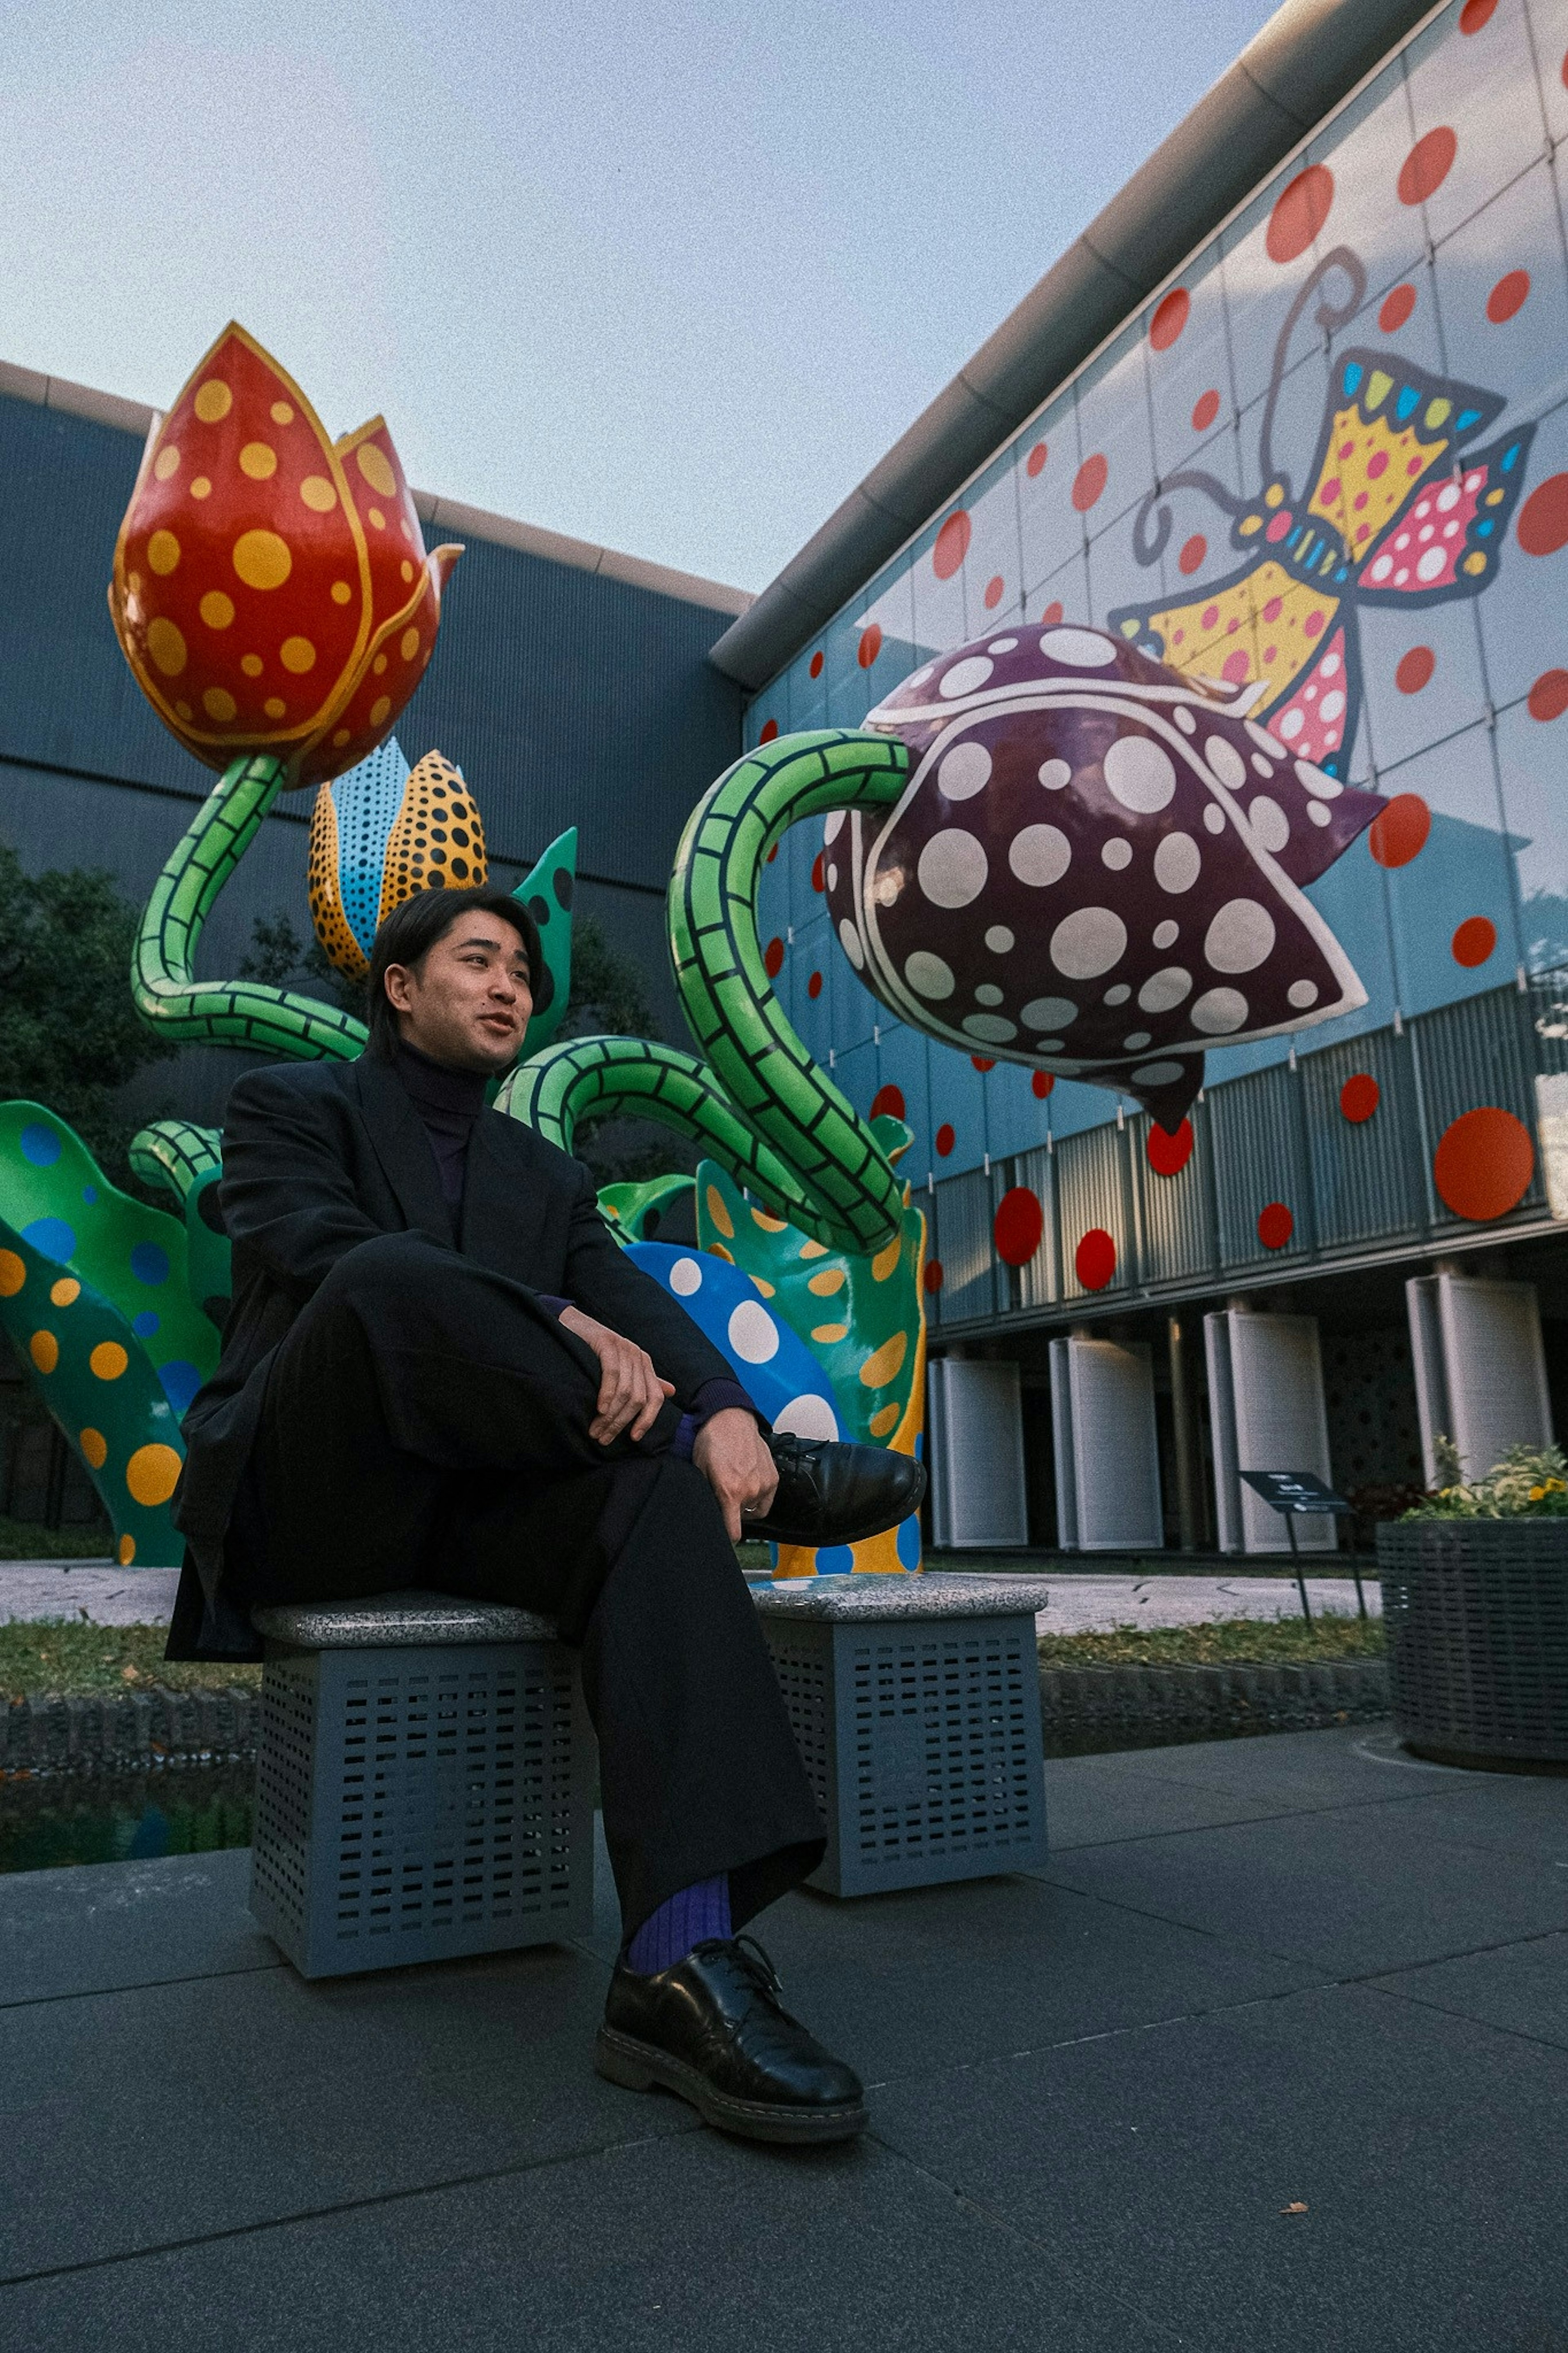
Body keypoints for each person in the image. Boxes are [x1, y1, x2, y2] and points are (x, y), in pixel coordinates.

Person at [165, 882, 923, 2147]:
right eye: (479, 959)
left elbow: (627, 1289)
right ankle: (760, 1471)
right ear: (401, 987)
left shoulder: (544, 1174)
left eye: (524, 966)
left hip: (475, 1500)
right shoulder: (289, 1109)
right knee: (382, 1274)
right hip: (318, 1487)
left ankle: (678, 1959)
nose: (513, 982)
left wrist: (726, 1410)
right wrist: (565, 1329)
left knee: (658, 1495)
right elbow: (314, 1252)